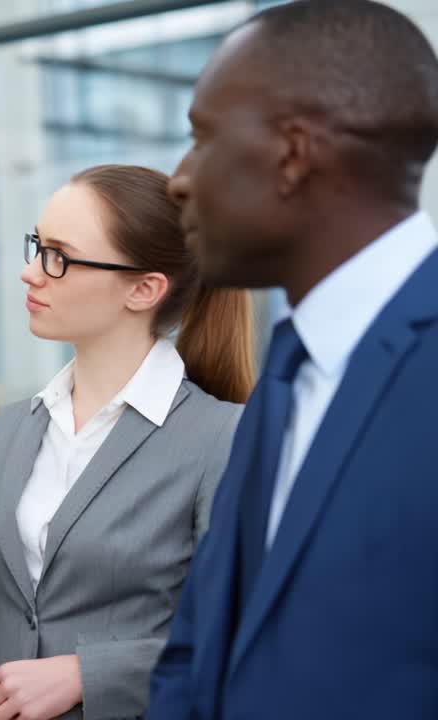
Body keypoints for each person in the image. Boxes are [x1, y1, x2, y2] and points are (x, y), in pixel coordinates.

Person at [147, 1, 438, 717]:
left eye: (203, 138)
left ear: (293, 153)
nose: (179, 179)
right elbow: (199, 647)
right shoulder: (288, 370)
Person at [0, 165, 253, 720]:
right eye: (37, 246)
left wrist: (86, 675)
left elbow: (241, 633)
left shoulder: (224, 437)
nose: (30, 273)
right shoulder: (14, 428)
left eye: (59, 256)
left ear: (144, 289)